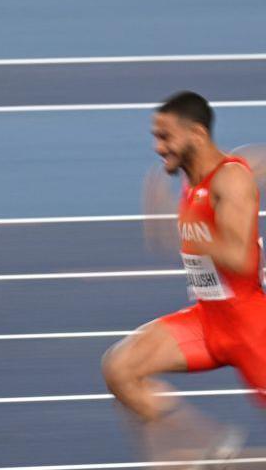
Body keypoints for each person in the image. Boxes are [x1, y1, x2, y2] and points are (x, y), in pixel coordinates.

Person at [103, 91, 262, 459]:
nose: (158, 148)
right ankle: (209, 449)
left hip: (252, 329)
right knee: (120, 369)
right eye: (155, 137)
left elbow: (241, 259)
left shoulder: (230, 181)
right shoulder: (199, 177)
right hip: (209, 321)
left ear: (197, 135)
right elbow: (253, 160)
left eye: (165, 136)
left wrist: (194, 235)